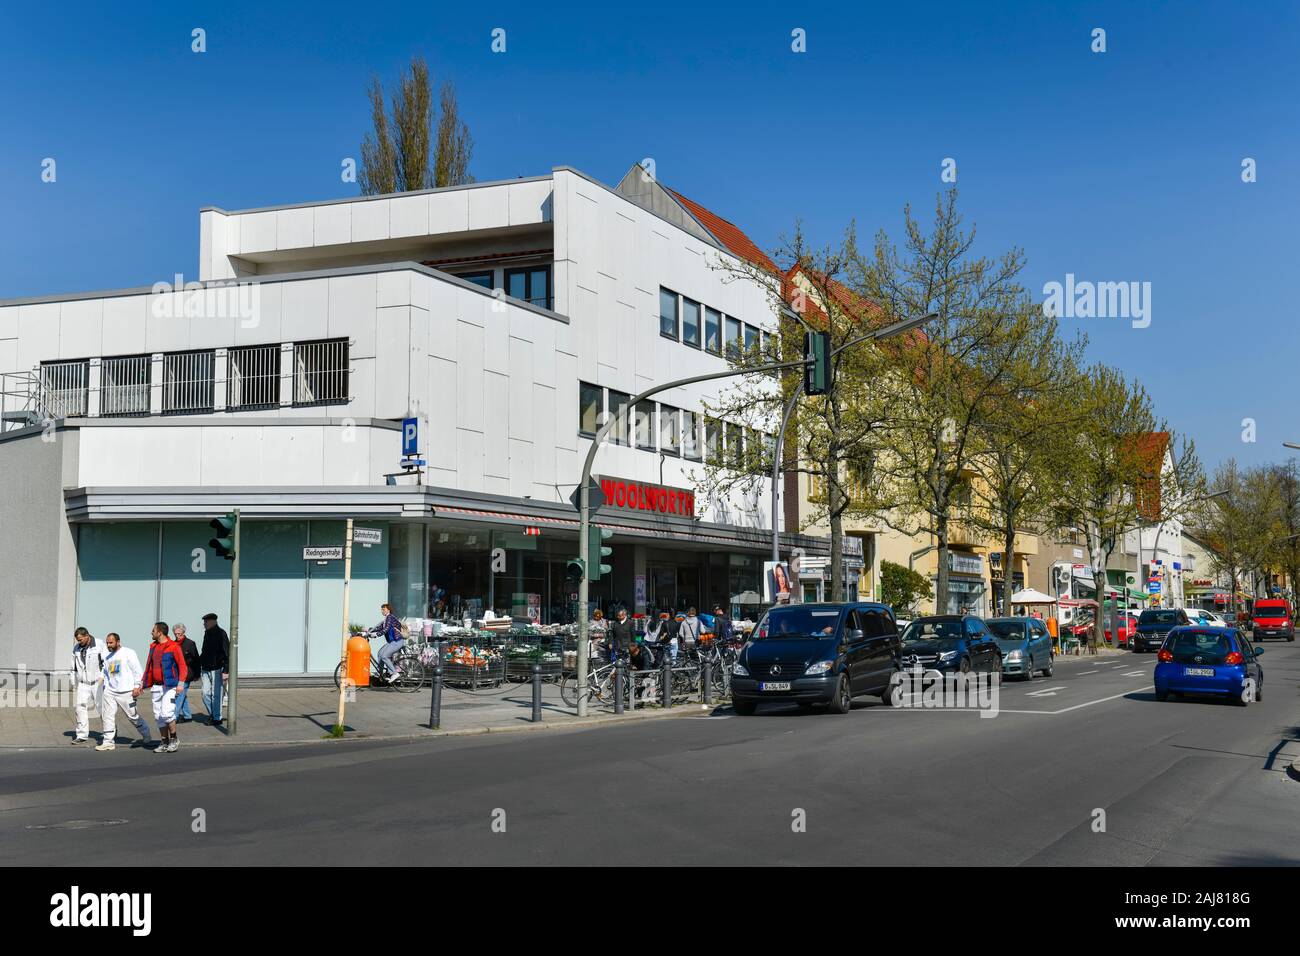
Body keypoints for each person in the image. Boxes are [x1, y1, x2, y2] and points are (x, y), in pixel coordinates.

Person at [96, 632, 151, 751]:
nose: (109, 645)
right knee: (108, 716)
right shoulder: (107, 656)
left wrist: (137, 686)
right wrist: (101, 683)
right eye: (107, 643)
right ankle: (108, 741)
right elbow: (105, 672)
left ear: (118, 642)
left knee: (132, 716)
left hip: (126, 691)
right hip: (110, 691)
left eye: (111, 642)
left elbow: (137, 670)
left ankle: (146, 733)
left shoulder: (128, 653)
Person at [140, 622, 187, 753]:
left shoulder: (173, 647)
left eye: (153, 630)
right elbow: (148, 667)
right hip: (156, 686)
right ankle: (164, 742)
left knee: (167, 714)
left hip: (170, 686)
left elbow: (183, 666)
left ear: (160, 632)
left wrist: (180, 684)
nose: (151, 633)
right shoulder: (153, 647)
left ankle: (174, 739)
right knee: (158, 716)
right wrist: (142, 684)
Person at [70, 627, 108, 745]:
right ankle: (81, 735)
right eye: (77, 640)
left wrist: (103, 678)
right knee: (80, 708)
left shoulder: (99, 644)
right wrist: (73, 682)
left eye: (80, 639)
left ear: (87, 636)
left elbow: (106, 663)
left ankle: (109, 730)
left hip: (98, 682)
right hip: (83, 683)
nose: (79, 642)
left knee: (101, 708)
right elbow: (73, 667)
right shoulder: (76, 649)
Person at [199, 613, 229, 726]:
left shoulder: (221, 633)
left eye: (206, 622)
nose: (204, 624)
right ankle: (213, 714)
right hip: (206, 668)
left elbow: (227, 652)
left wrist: (226, 670)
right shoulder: (207, 634)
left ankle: (217, 718)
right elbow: (204, 651)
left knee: (216, 693)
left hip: (217, 667)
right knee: (205, 693)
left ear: (213, 621)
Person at [172, 623, 201, 723]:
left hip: (187, 673)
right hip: (177, 673)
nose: (177, 636)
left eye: (179, 634)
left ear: (183, 632)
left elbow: (196, 659)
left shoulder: (190, 644)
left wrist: (197, 674)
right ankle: (187, 715)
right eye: (175, 634)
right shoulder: (173, 644)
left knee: (179, 694)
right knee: (182, 694)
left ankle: (174, 717)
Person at [373, 603, 404, 680]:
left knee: (384, 656)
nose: (382, 611)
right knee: (380, 653)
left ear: (388, 610)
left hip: (397, 641)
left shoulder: (390, 617)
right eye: (381, 609)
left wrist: (376, 635)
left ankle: (394, 673)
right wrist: (368, 631)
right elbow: (380, 628)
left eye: (384, 609)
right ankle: (380, 672)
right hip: (392, 642)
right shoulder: (386, 618)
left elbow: (386, 629)